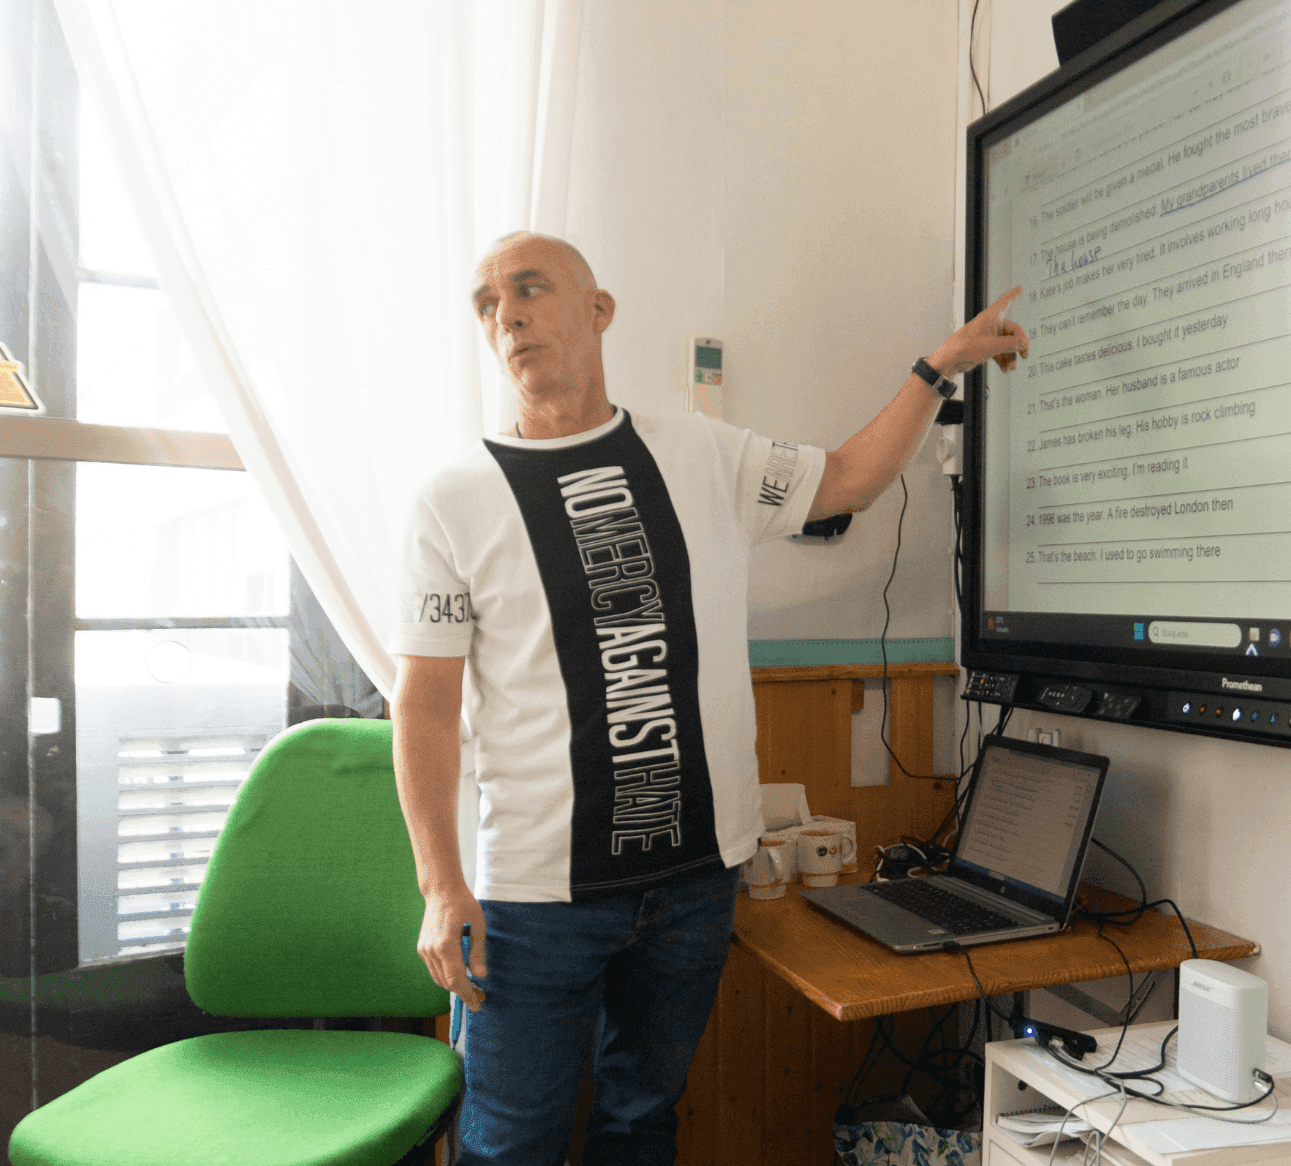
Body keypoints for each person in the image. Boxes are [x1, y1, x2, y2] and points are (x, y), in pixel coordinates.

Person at [389, 231, 1026, 1165]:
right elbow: (423, 708)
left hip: (693, 882)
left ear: (599, 310)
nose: (508, 315)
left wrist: (938, 369)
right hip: (534, 899)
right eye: (488, 304)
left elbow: (846, 478)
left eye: (529, 289)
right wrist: (440, 884)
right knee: (510, 1144)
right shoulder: (452, 500)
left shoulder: (698, 451)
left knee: (641, 1123)